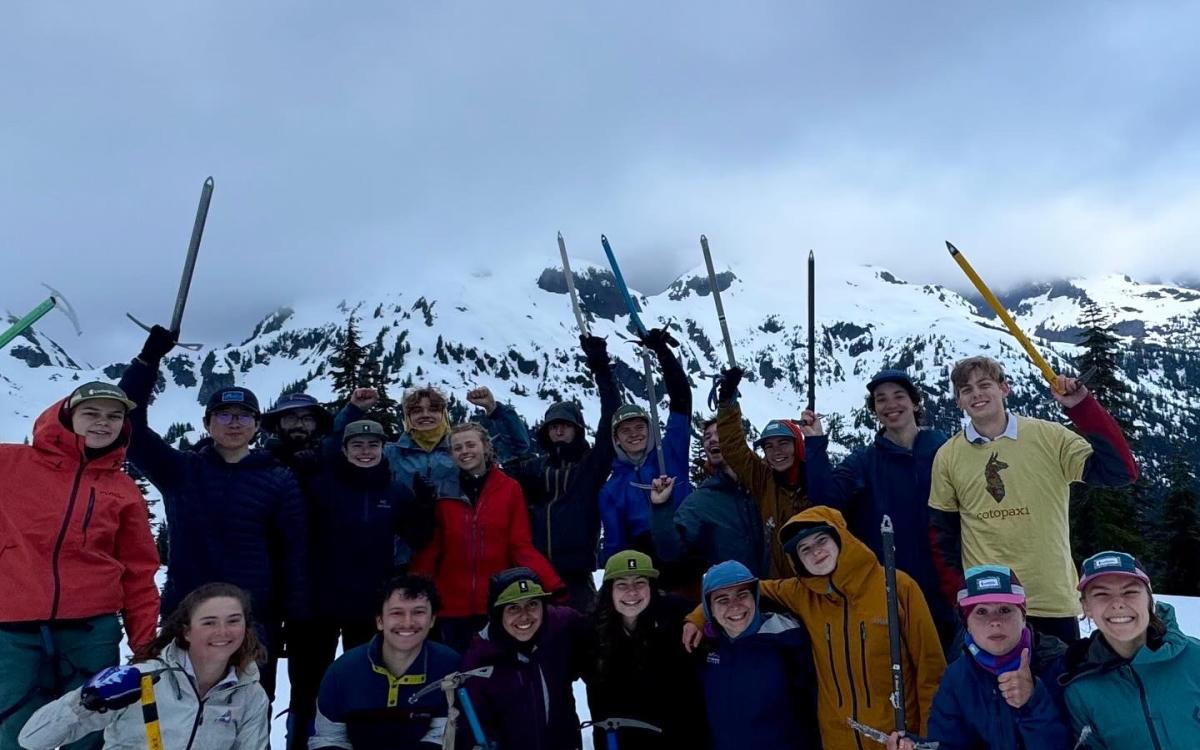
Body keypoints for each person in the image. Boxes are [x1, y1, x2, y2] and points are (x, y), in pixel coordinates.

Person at [119, 325, 310, 699]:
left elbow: (294, 553)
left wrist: (294, 619)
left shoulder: (279, 479)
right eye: (223, 414)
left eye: (243, 415)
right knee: (180, 710)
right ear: (207, 424)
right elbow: (129, 426)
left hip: (253, 619)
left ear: (256, 426)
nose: (234, 422)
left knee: (250, 714)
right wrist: (147, 360)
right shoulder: (180, 471)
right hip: (185, 614)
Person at [684, 506, 946, 750]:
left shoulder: (897, 586)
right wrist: (699, 616)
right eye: (804, 549)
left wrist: (925, 738)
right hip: (835, 741)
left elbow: (930, 671)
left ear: (840, 538)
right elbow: (743, 589)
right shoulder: (801, 593)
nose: (816, 552)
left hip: (895, 740)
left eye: (821, 541)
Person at [928, 356, 1138, 644]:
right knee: (995, 690)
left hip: (1051, 601)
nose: (976, 393)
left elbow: (1120, 471)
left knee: (1057, 687)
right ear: (958, 401)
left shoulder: (1049, 437)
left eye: (984, 384)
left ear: (1005, 388)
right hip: (989, 604)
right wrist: (959, 594)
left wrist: (1082, 406)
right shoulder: (948, 455)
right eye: (966, 389)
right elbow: (942, 533)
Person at [0, 382, 160, 750]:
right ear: (68, 416)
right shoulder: (9, 463)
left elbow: (138, 570)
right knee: (15, 733)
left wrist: (145, 643)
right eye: (92, 413)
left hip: (90, 633)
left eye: (114, 416)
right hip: (12, 631)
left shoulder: (122, 488)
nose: (103, 423)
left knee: (90, 733)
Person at [286, 421, 438, 750]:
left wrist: (426, 506)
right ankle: (299, 743)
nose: (365, 452)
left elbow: (419, 537)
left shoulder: (395, 491)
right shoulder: (320, 485)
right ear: (344, 449)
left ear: (383, 449)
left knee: (365, 683)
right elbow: (290, 526)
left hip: (369, 606)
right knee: (307, 688)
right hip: (319, 604)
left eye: (373, 445)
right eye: (357, 445)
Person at [803, 369, 956, 650]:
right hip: (893, 591)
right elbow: (825, 503)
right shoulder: (863, 461)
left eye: (899, 396)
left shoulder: (944, 449)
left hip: (950, 585)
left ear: (915, 403)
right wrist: (814, 443)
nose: (891, 404)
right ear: (874, 410)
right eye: (881, 399)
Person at [19, 583, 269, 750]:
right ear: (187, 632)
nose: (223, 632)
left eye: (233, 621)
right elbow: (32, 739)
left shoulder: (249, 694)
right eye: (209, 622)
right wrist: (84, 702)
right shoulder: (143, 680)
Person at [492, 334, 620, 612]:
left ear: (577, 429)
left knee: (582, 644)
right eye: (553, 426)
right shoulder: (535, 468)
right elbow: (501, 463)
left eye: (565, 425)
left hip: (576, 577)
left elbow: (611, 420)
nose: (558, 430)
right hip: (533, 575)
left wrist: (600, 368)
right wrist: (494, 412)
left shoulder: (590, 466)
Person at [411, 423, 563, 652]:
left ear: (485, 447)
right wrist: (414, 587)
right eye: (457, 447)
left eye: (471, 444)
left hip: (497, 602)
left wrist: (552, 583)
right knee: (455, 673)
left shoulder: (509, 488)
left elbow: (520, 544)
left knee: (495, 674)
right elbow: (433, 547)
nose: (465, 451)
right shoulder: (443, 492)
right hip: (450, 606)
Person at [888, 565, 1070, 749]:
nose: (994, 622)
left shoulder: (1061, 666)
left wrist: (1033, 701)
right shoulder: (956, 678)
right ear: (966, 624)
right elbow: (948, 745)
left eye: (1005, 610)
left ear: (1023, 616)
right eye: (981, 612)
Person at [1060, 550, 1200, 748]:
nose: (1117, 604)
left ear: (1150, 599)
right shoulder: (1080, 690)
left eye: (1130, 592)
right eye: (1101, 594)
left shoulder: (1195, 657)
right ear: (1086, 607)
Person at [310, 575, 461, 750]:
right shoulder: (342, 671)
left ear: (432, 620)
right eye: (397, 613)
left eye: (418, 612)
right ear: (380, 621)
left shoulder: (449, 667)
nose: (407, 622)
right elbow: (329, 738)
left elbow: (442, 736)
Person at [584, 551, 707, 750]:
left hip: (677, 738)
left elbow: (717, 609)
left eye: (640, 583)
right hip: (616, 740)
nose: (632, 592)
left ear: (651, 586)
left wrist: (699, 620)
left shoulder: (677, 616)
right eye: (622, 585)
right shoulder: (591, 633)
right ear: (609, 590)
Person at [458, 568, 592, 750]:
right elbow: (472, 726)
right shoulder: (480, 660)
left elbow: (599, 631)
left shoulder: (562, 626)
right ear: (497, 613)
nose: (525, 615)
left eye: (532, 605)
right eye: (513, 607)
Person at [696, 560, 820, 750]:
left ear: (755, 596)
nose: (735, 606)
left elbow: (811, 708)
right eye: (723, 600)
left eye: (742, 595)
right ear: (709, 608)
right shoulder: (705, 647)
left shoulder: (788, 641)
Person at [598, 327, 693, 564]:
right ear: (616, 438)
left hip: (689, 550)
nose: (634, 435)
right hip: (645, 564)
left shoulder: (671, 452)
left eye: (639, 427)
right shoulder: (612, 490)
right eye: (625, 430)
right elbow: (615, 543)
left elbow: (682, 400)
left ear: (650, 429)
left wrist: (662, 352)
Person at [335, 384, 529, 498]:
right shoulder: (391, 453)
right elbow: (338, 447)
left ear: (443, 414)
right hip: (406, 551)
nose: (425, 414)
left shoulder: (463, 451)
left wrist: (495, 409)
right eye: (417, 410)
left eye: (434, 409)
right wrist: (354, 410)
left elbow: (517, 446)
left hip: (456, 546)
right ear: (406, 417)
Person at [650, 418, 769, 590]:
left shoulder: (766, 484)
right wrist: (661, 508)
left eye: (719, 433)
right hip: (735, 601)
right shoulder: (701, 502)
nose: (711, 439)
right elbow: (670, 551)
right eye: (707, 437)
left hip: (779, 594)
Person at [713, 366, 808, 578]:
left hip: (817, 584)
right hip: (778, 587)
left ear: (798, 446)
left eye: (784, 443)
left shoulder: (817, 481)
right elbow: (734, 448)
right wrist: (727, 402)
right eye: (769, 446)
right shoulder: (764, 479)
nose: (776, 452)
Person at [260, 392, 335, 478]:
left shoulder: (334, 463)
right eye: (291, 418)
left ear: (317, 426)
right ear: (277, 425)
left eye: (307, 419)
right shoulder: (260, 466)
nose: (299, 425)